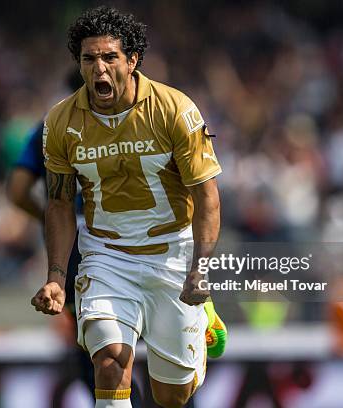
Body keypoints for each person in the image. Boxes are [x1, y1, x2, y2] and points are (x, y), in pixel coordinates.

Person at [31, 6, 227, 408]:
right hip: (107, 257)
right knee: (109, 361)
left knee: (171, 396)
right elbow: (60, 201)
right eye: (89, 59)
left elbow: (207, 196)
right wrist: (55, 274)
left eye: (110, 57)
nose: (99, 68)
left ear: (132, 60)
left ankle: (202, 316)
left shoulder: (174, 109)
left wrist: (200, 269)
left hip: (172, 255)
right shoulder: (61, 122)